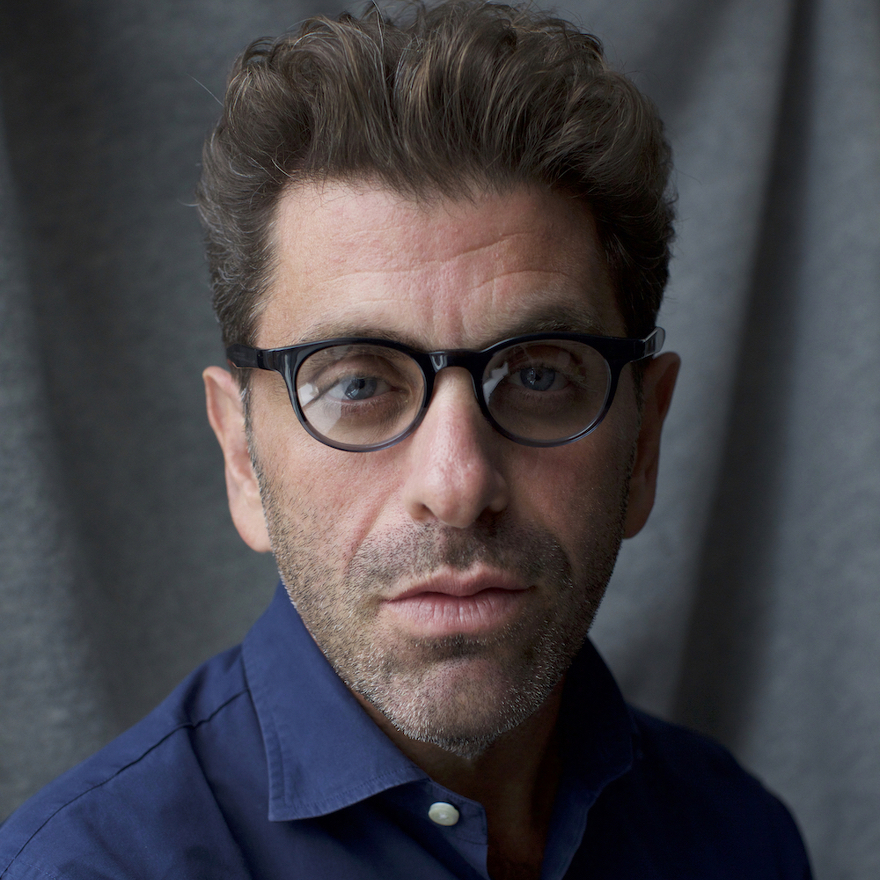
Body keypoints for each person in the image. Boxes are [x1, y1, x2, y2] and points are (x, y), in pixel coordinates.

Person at [0, 2, 813, 878]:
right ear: (242, 455)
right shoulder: (87, 867)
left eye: (539, 376)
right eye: (356, 384)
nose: (457, 484)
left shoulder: (740, 837)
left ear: (643, 441)